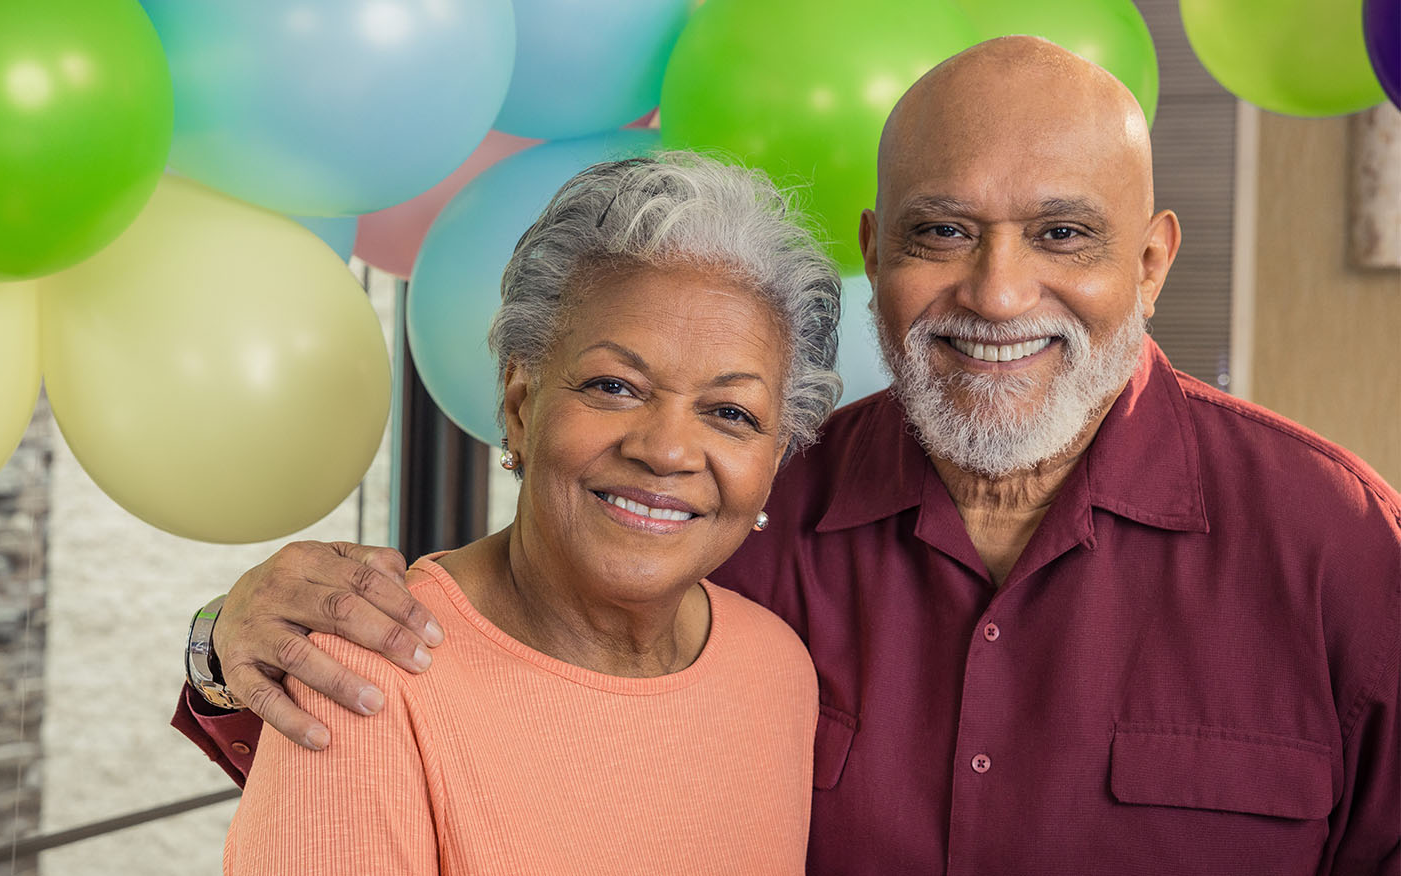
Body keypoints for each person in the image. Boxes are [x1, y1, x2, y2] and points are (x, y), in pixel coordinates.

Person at [177, 37, 1400, 875]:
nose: (998, 289)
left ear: (1149, 261)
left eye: (1064, 233)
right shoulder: (745, 510)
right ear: (880, 251)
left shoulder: (1339, 547)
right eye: (943, 231)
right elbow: (494, 698)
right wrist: (223, 650)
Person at [218, 151, 844, 873]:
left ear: (775, 458)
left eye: (730, 412)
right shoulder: (370, 673)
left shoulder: (777, 668)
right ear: (520, 408)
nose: (667, 450)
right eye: (616, 385)